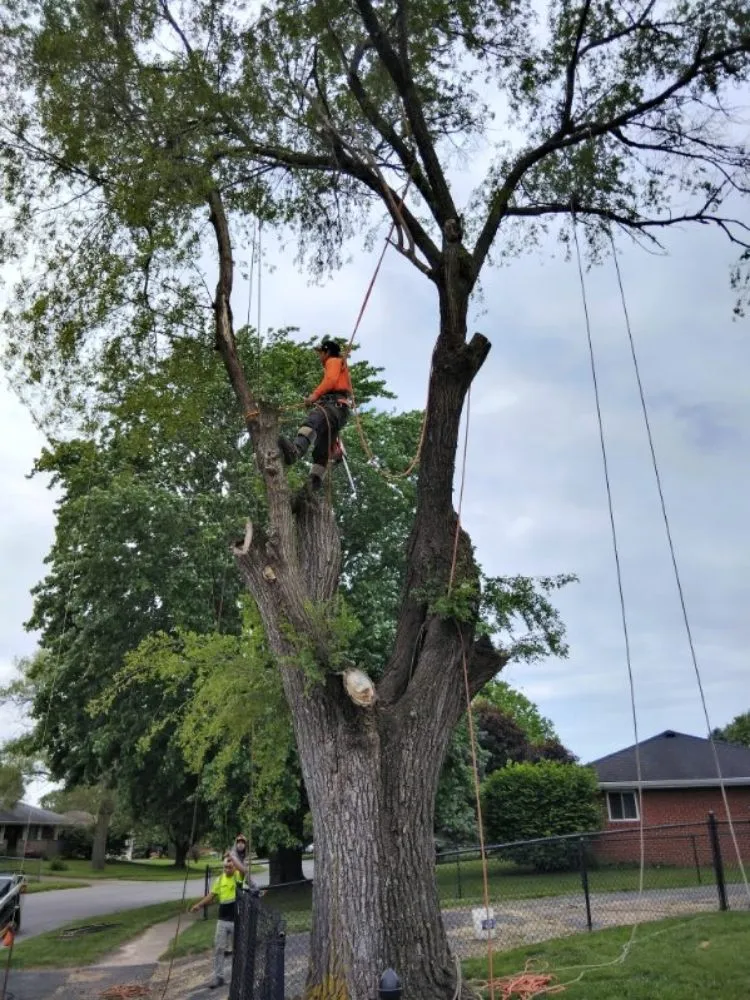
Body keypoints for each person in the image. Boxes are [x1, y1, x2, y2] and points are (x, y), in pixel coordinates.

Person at [278, 338, 353, 490]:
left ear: (327, 352)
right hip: (340, 410)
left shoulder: (333, 361)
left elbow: (331, 381)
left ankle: (295, 450)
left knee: (313, 421)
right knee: (322, 448)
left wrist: (315, 395)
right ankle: (313, 483)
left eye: (320, 353)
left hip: (334, 406)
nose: (319, 357)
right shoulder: (340, 365)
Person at [189, 853, 244, 990]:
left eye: (230, 867)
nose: (227, 870)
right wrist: (199, 905)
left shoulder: (238, 877)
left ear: (234, 868)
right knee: (219, 948)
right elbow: (211, 896)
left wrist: (233, 857)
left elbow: (243, 870)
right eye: (225, 867)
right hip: (222, 920)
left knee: (239, 949)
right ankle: (219, 977)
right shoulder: (220, 880)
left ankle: (241, 977)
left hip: (237, 920)